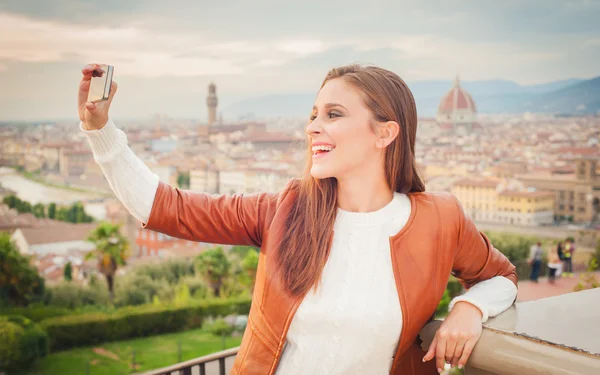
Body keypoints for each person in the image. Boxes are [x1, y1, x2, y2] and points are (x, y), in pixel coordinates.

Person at [77, 63, 518, 374]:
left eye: (333, 115)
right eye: (313, 115)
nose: (312, 127)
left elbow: (501, 277)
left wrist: (469, 307)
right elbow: (167, 207)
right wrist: (101, 131)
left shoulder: (439, 219)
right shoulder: (285, 209)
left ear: (385, 133)